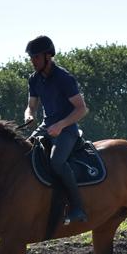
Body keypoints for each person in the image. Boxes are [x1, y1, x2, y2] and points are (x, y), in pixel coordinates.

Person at [24, 35, 89, 223]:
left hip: (67, 129)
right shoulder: (34, 79)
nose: (33, 61)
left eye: (36, 57)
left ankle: (78, 208)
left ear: (48, 56)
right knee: (23, 154)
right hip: (46, 127)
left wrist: (60, 125)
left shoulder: (64, 78)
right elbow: (31, 106)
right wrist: (29, 116)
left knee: (57, 162)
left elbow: (81, 109)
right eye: (31, 58)